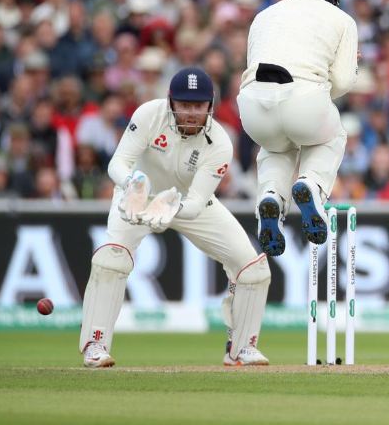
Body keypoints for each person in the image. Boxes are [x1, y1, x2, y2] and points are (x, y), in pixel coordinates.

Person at [79, 67, 271, 368]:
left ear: (210, 105)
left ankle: (242, 348)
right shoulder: (148, 115)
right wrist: (132, 184)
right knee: (111, 259)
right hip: (137, 195)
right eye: (184, 105)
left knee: (252, 269)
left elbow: (195, 203)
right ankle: (95, 343)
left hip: (185, 203)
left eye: (198, 106)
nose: (191, 113)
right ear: (171, 102)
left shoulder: (220, 143)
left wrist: (170, 208)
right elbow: (118, 163)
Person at [237, 0, 358, 256]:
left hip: (252, 105)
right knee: (333, 135)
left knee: (276, 146)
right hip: (303, 99)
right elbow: (342, 83)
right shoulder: (341, 19)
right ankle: (312, 185)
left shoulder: (264, 15)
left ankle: (270, 197)